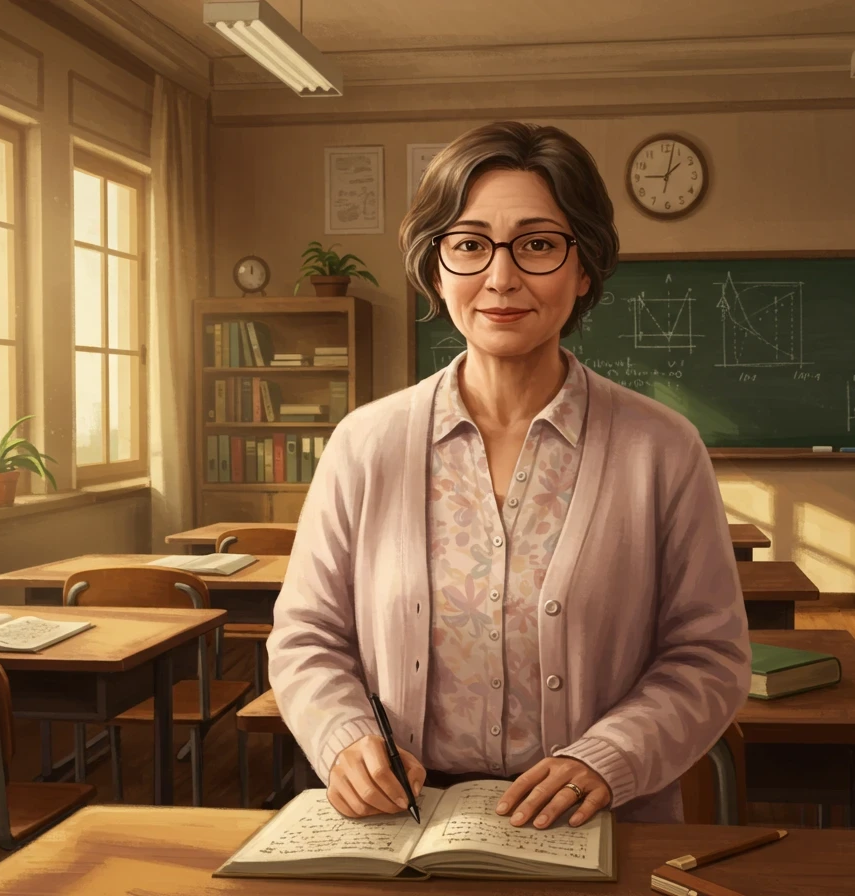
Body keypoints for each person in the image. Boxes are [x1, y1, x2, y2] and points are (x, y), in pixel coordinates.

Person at [266, 120, 750, 829]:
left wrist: (606, 758)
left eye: (538, 245)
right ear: (436, 268)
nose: (501, 276)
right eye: (468, 244)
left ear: (584, 268)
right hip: (403, 828)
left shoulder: (662, 448)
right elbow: (307, 636)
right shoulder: (363, 445)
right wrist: (343, 741)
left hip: (599, 827)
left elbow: (707, 655)